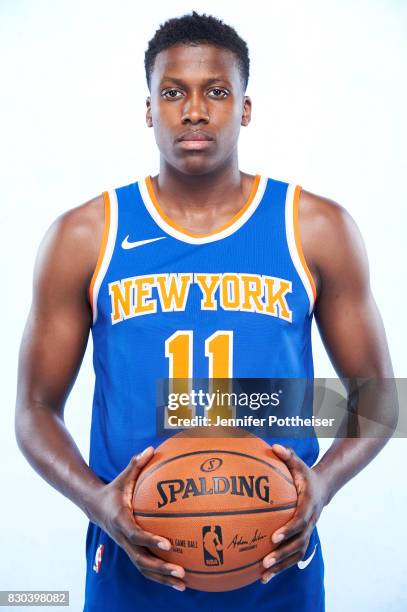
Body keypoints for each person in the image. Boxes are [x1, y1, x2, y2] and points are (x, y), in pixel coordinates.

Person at [15, 11, 395, 612]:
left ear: (245, 108)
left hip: (277, 569)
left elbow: (377, 398)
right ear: (148, 108)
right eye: (173, 93)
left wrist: (317, 482)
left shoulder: (314, 228)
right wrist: (99, 502)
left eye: (217, 92)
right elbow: (35, 409)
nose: (195, 110)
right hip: (129, 571)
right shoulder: (86, 235)